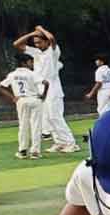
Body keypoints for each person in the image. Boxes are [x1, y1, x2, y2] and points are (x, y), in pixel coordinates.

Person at [14, 25, 80, 153]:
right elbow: (17, 44)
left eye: (39, 42)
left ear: (46, 42)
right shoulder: (36, 52)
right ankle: (59, 142)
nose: (37, 45)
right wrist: (32, 34)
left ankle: (71, 143)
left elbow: (52, 38)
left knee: (55, 116)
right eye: (35, 43)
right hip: (40, 89)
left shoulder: (53, 51)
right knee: (47, 118)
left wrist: (41, 29)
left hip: (53, 88)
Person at [0, 52, 46, 159]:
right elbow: (46, 83)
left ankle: (22, 151)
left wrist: (13, 97)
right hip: (34, 99)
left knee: (23, 125)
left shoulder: (12, 74)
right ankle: (35, 152)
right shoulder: (32, 73)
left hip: (21, 100)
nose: (32, 64)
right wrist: (44, 95)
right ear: (25, 63)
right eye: (31, 62)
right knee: (36, 125)